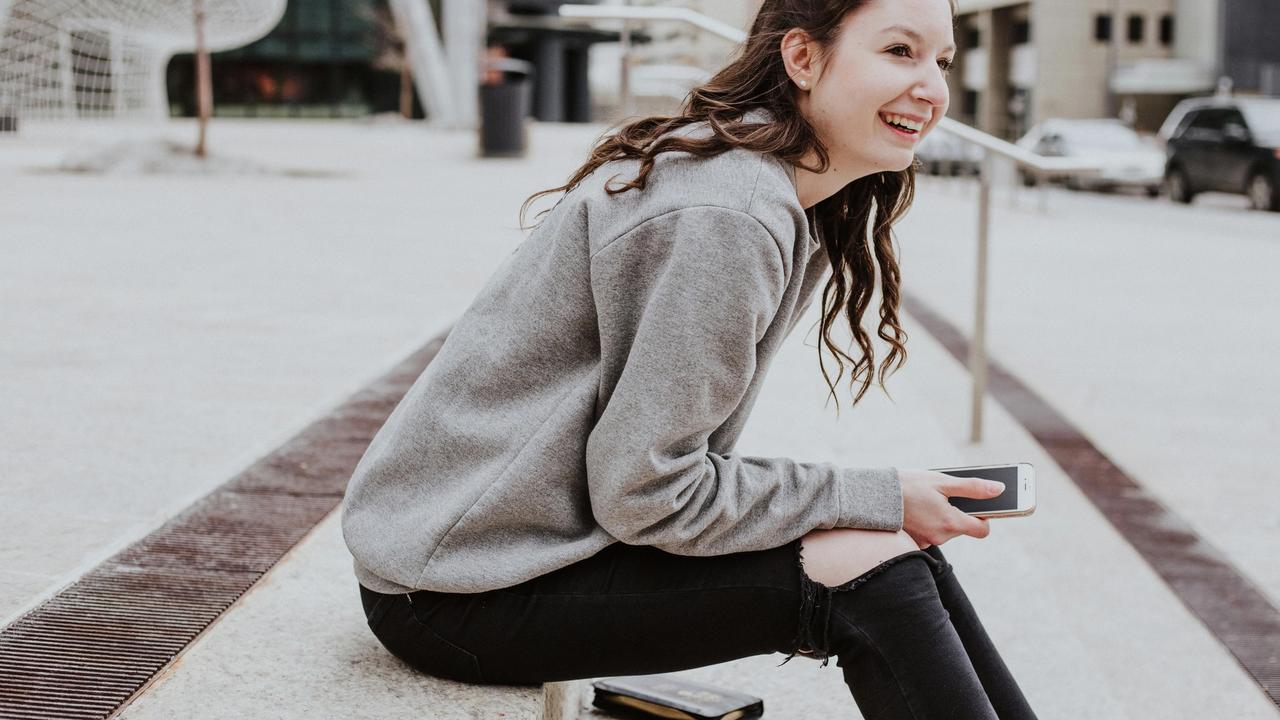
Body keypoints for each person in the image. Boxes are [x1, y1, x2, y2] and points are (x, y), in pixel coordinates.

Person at [341, 0, 1039, 717]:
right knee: (876, 573)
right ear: (803, 59)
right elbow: (648, 492)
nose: (932, 88)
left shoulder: (755, 182)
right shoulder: (729, 214)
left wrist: (877, 502)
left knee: (895, 548)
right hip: (458, 590)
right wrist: (871, 493)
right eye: (899, 51)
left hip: (509, 548)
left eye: (942, 61)